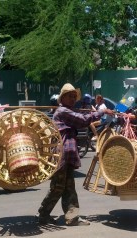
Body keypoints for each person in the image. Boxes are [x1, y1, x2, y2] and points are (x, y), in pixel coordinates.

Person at [36, 83, 114, 226]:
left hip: (68, 155)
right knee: (58, 187)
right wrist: (102, 112)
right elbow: (83, 120)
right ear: (62, 98)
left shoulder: (68, 111)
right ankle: (43, 214)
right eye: (69, 96)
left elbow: (82, 117)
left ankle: (72, 217)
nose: (73, 99)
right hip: (61, 155)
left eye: (74, 97)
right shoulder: (63, 112)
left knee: (69, 188)